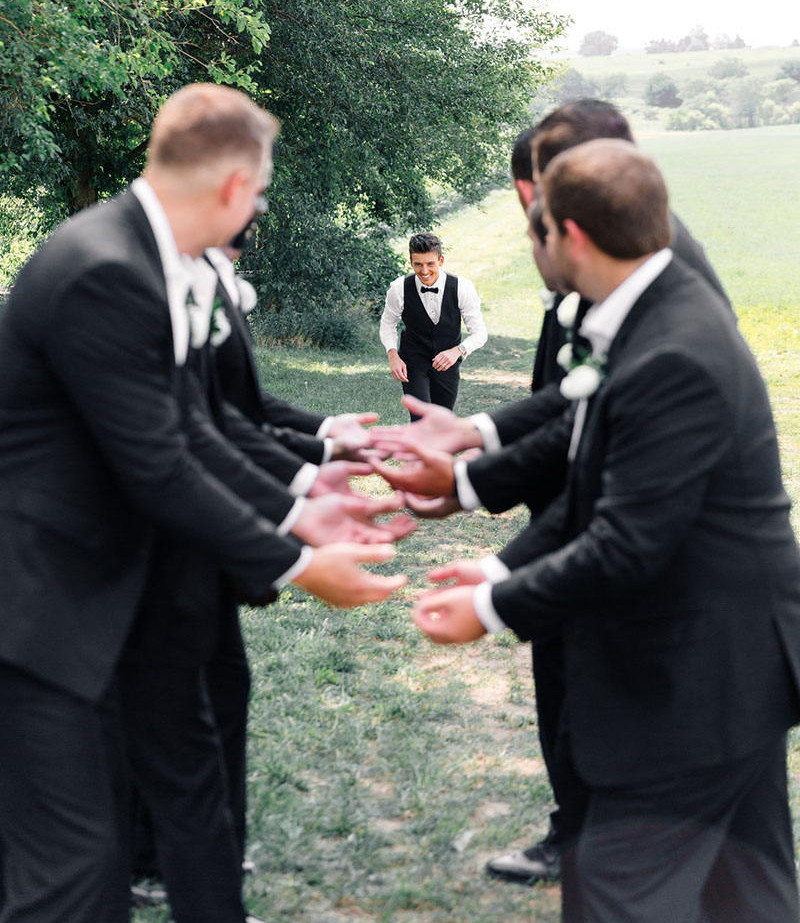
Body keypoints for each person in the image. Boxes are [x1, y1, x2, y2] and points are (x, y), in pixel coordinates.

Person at [0, 83, 407, 923]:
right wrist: (296, 562)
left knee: (194, 783)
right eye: (258, 193)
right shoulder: (102, 270)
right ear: (232, 188)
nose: (257, 209)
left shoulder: (166, 264)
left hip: (141, 590)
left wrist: (299, 508)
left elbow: (202, 426)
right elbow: (158, 463)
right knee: (76, 872)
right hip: (46, 608)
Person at [377, 140, 800, 923]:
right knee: (751, 897)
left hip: (700, 676)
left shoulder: (673, 348)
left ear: (569, 236)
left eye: (534, 227)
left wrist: (492, 607)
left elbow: (627, 540)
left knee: (613, 896)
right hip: (730, 663)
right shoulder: (645, 310)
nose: (528, 242)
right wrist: (497, 561)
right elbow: (586, 464)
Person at [379, 232, 487, 418]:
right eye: (418, 264)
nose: (425, 271)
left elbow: (480, 333)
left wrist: (457, 351)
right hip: (412, 360)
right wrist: (392, 355)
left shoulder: (462, 287)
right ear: (411, 262)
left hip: (448, 364)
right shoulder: (399, 289)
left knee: (442, 420)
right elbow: (388, 324)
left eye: (430, 264)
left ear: (441, 260)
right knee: (420, 418)